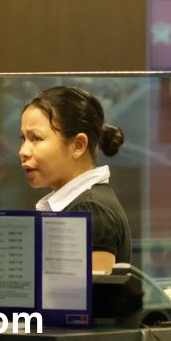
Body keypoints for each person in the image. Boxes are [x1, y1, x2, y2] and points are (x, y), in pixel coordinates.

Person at [19, 85, 131, 272]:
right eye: (23, 138)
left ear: (78, 145)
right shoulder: (83, 205)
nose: (23, 151)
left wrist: (8, 289)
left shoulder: (90, 209)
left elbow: (89, 298)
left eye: (36, 138)